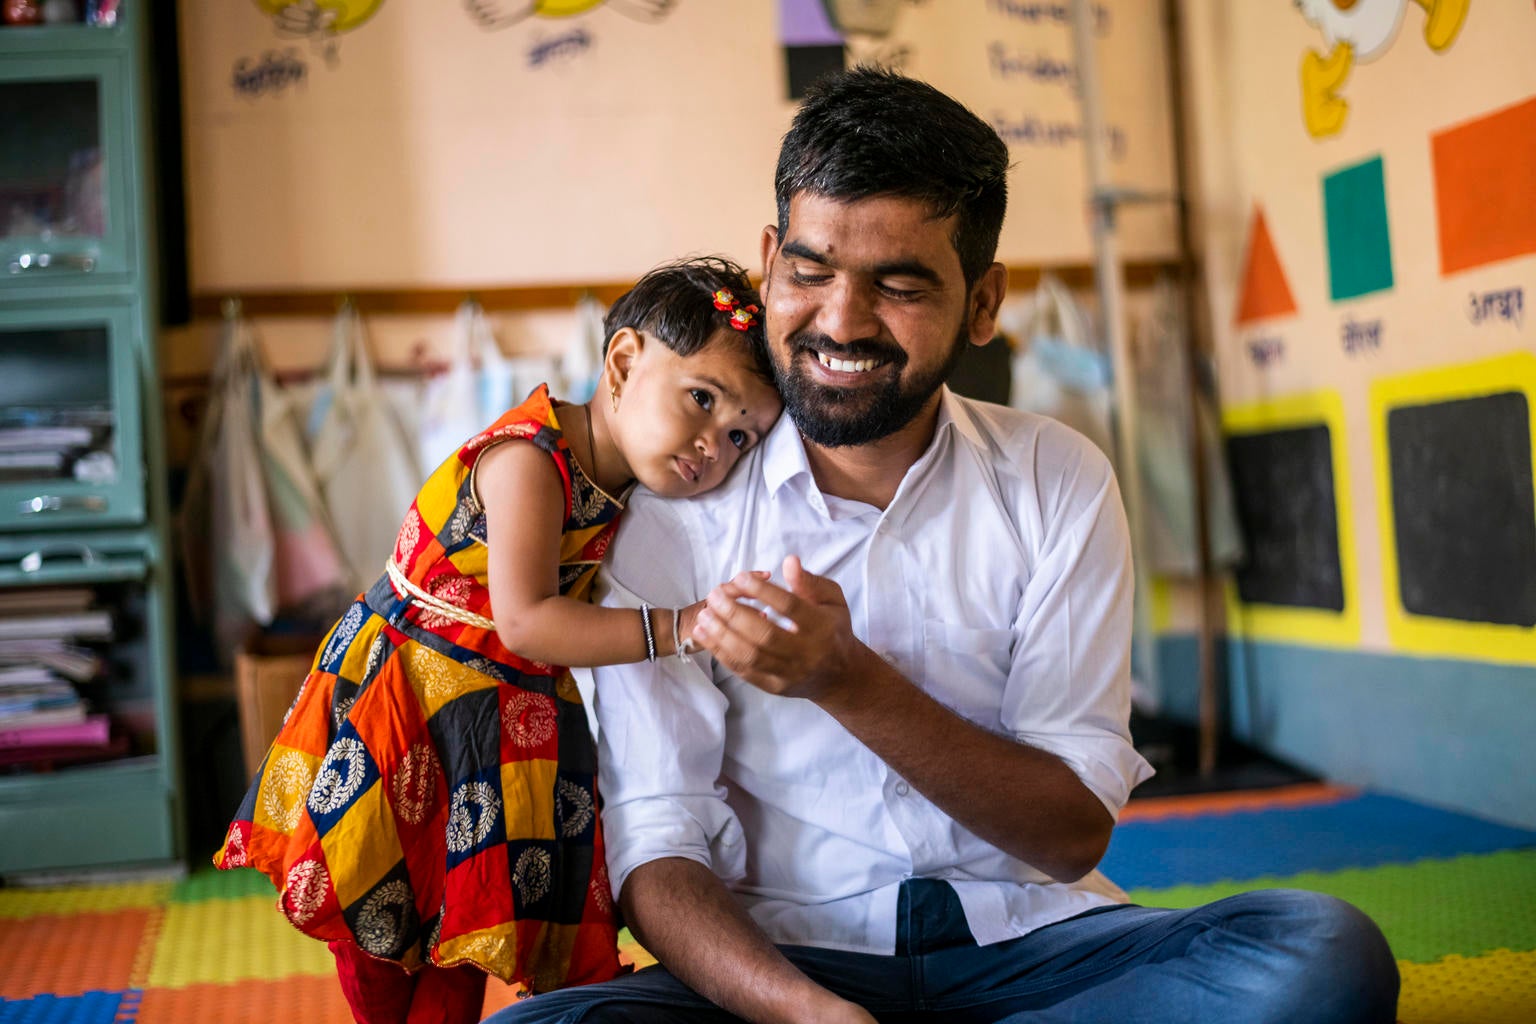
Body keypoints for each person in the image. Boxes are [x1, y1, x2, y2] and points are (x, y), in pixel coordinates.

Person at [488, 68, 1400, 1023]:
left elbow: (1070, 836)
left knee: (1319, 958)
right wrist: (814, 1016)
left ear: (982, 301)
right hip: (782, 972)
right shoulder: (672, 510)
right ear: (768, 264)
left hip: (1038, 949)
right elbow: (656, 848)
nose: (841, 321)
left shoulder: (1055, 478)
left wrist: (845, 677)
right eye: (810, 271)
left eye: (899, 284)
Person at [213, 256, 783, 1024]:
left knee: (461, 946)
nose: (714, 444)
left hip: (487, 734)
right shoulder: (530, 460)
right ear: (622, 362)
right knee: (382, 943)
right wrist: (684, 629)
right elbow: (527, 620)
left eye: (742, 436)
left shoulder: (624, 486)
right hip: (408, 713)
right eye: (702, 399)